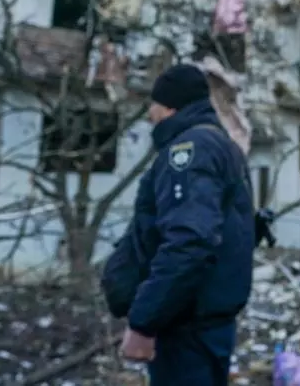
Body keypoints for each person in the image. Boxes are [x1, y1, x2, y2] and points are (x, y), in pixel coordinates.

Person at [100, 64, 254, 385]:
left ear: (170, 107)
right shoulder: (222, 146)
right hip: (203, 324)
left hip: (186, 331)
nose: (149, 115)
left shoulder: (190, 150)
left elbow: (190, 242)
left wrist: (144, 322)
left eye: (154, 105)